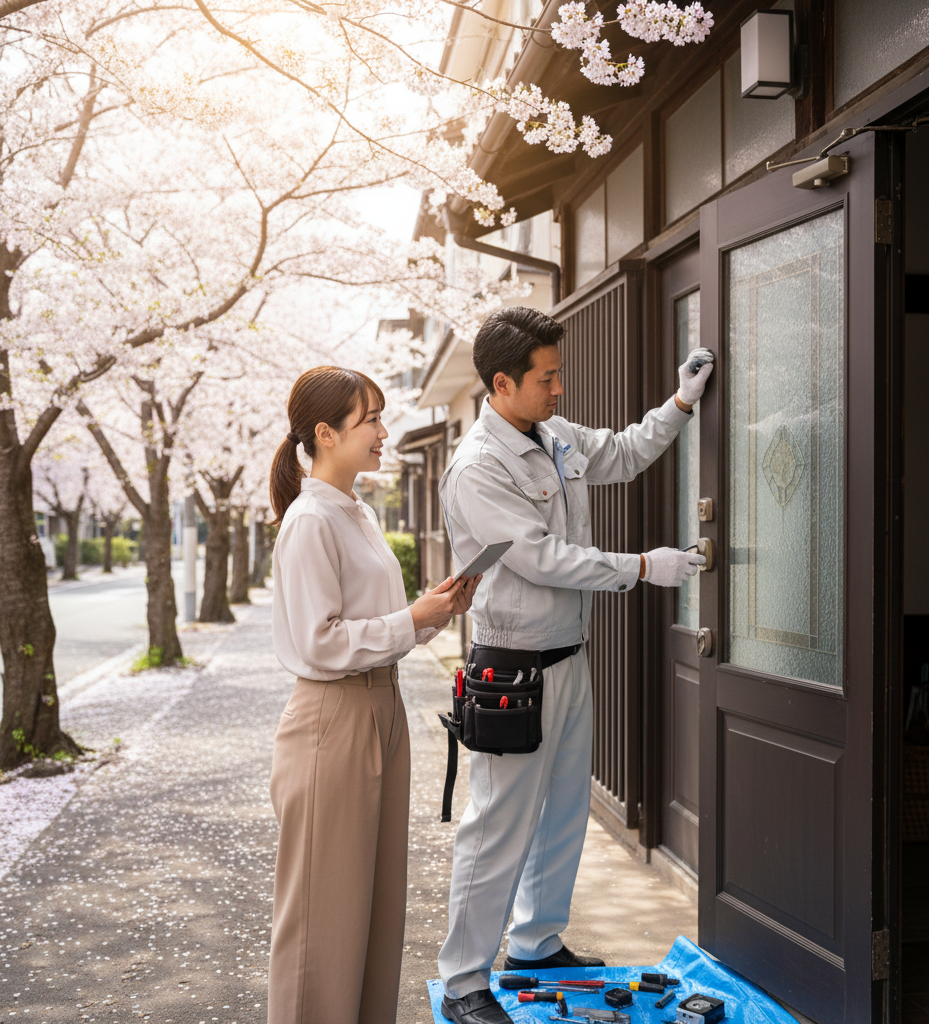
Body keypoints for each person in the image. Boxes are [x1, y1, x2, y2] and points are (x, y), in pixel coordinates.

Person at [436, 308, 713, 1024]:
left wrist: (679, 404)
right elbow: (541, 558)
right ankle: (465, 977)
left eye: (559, 375)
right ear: (503, 383)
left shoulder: (552, 436)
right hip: (511, 668)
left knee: (562, 813)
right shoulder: (478, 468)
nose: (559, 389)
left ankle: (533, 943)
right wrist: (644, 566)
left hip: (568, 657)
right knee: (498, 825)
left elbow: (620, 452)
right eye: (547, 377)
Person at [266, 365, 482, 1024]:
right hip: (333, 718)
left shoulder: (354, 511)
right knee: (321, 923)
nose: (384, 433)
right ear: (326, 434)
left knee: (375, 911)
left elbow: (378, 628)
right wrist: (413, 620)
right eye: (371, 421)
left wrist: (430, 614)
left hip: (379, 708)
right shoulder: (310, 521)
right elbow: (321, 641)